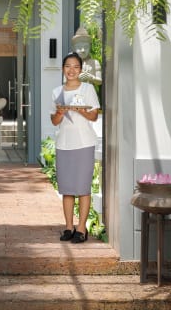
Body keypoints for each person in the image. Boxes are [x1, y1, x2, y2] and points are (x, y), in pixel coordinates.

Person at [50, 51, 100, 243]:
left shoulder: (87, 89)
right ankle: (69, 227)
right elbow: (54, 121)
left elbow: (94, 116)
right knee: (67, 188)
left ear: (80, 69)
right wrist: (60, 113)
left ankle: (81, 228)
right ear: (63, 69)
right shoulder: (57, 92)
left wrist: (80, 110)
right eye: (68, 66)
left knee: (83, 187)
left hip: (84, 143)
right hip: (64, 144)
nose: (71, 70)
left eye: (75, 67)